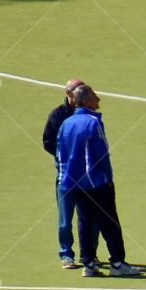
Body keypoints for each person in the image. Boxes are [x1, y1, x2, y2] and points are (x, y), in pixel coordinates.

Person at [56, 84, 140, 278]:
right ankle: (118, 264)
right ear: (85, 101)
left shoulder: (66, 124)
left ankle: (88, 264)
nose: (98, 99)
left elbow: (60, 154)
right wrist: (108, 178)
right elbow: (102, 155)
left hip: (72, 182)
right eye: (95, 96)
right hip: (96, 183)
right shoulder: (93, 122)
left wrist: (64, 178)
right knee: (109, 222)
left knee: (84, 221)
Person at [42, 78, 96, 269]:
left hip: (88, 175)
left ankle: (90, 254)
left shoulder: (91, 114)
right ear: (69, 94)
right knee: (66, 218)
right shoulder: (58, 115)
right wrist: (65, 157)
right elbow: (48, 141)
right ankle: (66, 254)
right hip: (66, 175)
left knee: (90, 217)